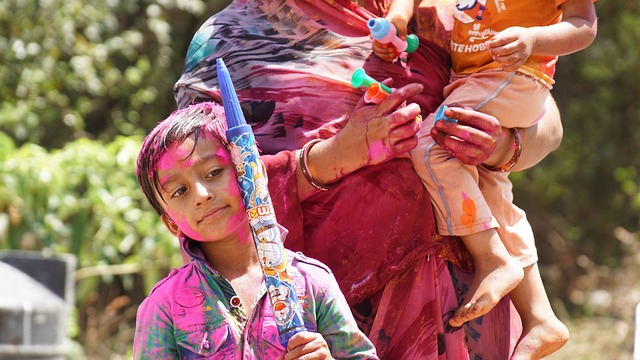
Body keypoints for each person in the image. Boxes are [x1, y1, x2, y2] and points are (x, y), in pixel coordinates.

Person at [173, 0, 565, 358]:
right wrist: (340, 154)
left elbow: (542, 114)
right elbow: (202, 192)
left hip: (467, 301)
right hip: (324, 323)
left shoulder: (427, 14)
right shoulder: (226, 42)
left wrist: (501, 146)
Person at [373, 0, 597, 358]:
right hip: (473, 79)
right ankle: (540, 317)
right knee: (487, 186)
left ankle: (492, 258)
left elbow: (584, 23)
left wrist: (533, 38)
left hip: (515, 74)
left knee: (430, 146)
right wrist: (397, 20)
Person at [132, 101, 396, 359]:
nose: (201, 194)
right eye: (180, 191)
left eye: (213, 172)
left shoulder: (312, 283)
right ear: (170, 223)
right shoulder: (164, 308)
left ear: (254, 173)